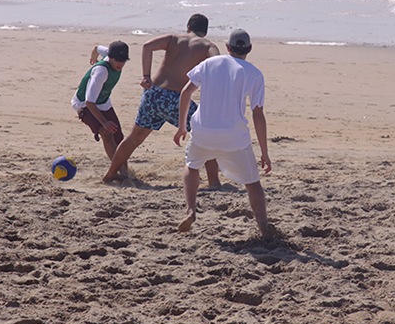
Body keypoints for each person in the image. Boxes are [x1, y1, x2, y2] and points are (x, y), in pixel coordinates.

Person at [173, 29, 272, 236]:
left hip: (203, 131)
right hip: (233, 137)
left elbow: (185, 92)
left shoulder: (209, 63)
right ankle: (263, 227)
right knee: (253, 184)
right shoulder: (254, 73)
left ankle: (191, 211)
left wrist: (182, 126)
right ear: (249, 48)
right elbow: (258, 114)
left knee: (192, 166)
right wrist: (264, 152)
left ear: (227, 47)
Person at [102, 14, 221, 186]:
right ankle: (214, 182)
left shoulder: (174, 39)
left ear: (188, 27)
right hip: (175, 99)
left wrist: (146, 75)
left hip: (153, 93)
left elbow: (147, 46)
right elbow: (217, 64)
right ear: (206, 31)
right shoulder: (207, 46)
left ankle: (110, 175)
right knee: (206, 134)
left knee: (134, 138)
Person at [71, 41, 130, 176]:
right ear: (110, 57)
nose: (120, 64)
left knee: (118, 137)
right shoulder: (101, 72)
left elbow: (97, 48)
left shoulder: (109, 53)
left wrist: (93, 57)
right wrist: (104, 122)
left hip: (103, 101)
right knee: (106, 132)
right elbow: (89, 102)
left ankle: (125, 170)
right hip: (84, 104)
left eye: (123, 61)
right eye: (117, 60)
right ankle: (121, 173)